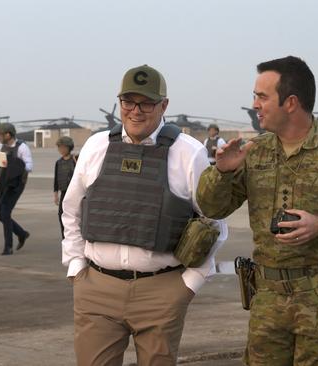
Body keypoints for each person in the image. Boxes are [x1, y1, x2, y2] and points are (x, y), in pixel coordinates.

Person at [196, 56, 318, 365]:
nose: (254, 104)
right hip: (268, 303)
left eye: (262, 97)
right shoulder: (254, 152)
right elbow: (211, 207)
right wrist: (221, 172)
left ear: (290, 102)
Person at [62, 64, 228, 366]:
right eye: (128, 102)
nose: (135, 111)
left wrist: (190, 282)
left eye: (146, 103)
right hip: (97, 288)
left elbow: (213, 223)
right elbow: (71, 209)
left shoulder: (189, 153)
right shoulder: (96, 146)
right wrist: (76, 266)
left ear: (164, 105)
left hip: (162, 290)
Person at [0, 123, 32, 255]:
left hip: (15, 185)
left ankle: (8, 246)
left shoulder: (22, 147)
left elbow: (29, 165)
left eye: (1, 134)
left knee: (5, 213)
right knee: (0, 215)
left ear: (8, 134)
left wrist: (15, 168)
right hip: (2, 184)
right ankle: (22, 233)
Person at [53, 136, 76, 239]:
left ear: (69, 148)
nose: (61, 150)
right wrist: (55, 195)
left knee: (73, 217)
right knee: (61, 215)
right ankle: (64, 239)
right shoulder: (58, 162)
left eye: (63, 147)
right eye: (59, 148)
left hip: (73, 193)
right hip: (63, 193)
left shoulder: (75, 160)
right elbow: (56, 179)